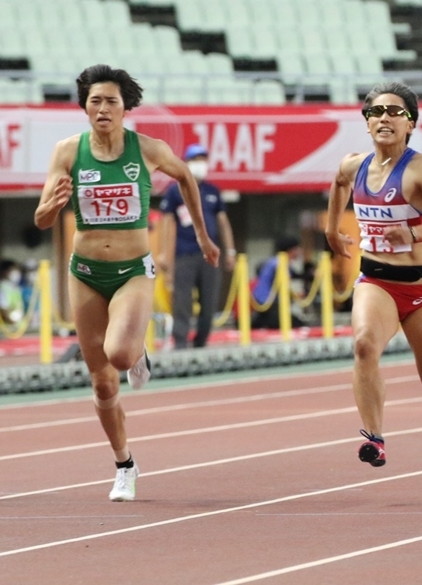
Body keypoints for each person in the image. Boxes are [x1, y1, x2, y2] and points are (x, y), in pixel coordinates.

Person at [33, 64, 220, 501]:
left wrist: (203, 235)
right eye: (95, 100)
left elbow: (187, 177)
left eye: (111, 101)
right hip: (85, 273)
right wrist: (53, 205)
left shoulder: (147, 149)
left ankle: (136, 350)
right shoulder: (67, 152)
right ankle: (125, 465)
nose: (102, 108)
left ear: (124, 108)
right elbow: (41, 219)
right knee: (102, 383)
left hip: (134, 270)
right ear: (84, 106)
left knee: (118, 355)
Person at [325, 81, 422, 467]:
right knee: (364, 345)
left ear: (410, 124)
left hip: (421, 291)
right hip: (376, 282)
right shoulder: (355, 165)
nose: (385, 118)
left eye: (395, 112)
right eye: (376, 112)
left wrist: (414, 232)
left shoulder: (420, 170)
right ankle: (374, 437)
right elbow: (338, 183)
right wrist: (332, 230)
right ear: (367, 123)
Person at [159, 143, 236, 349]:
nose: (200, 164)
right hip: (184, 254)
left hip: (209, 255)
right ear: (186, 163)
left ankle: (201, 341)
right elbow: (166, 224)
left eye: (203, 160)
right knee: (182, 301)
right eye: (195, 160)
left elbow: (223, 223)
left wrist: (230, 251)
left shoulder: (212, 192)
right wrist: (164, 254)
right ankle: (181, 343)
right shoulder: (175, 191)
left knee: (209, 302)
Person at [251, 235, 306, 329]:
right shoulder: (279, 264)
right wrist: (294, 295)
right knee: (294, 323)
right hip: (268, 302)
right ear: (291, 250)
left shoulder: (276, 261)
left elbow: (296, 275)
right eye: (297, 249)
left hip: (263, 301)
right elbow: (280, 283)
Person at [0, 259, 24, 326]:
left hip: (17, 327)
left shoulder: (16, 288)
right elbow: (3, 310)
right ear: (5, 272)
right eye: (13, 270)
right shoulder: (2, 288)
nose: (16, 273)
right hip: (6, 329)